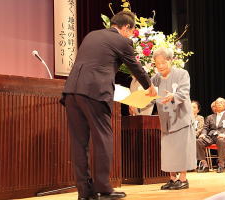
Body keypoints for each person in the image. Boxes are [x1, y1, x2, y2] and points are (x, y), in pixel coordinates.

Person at [60, 11, 157, 200]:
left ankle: (84, 192)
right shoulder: (122, 41)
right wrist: (150, 86)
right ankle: (104, 189)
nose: (131, 35)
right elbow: (135, 66)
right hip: (94, 93)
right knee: (103, 138)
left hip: (71, 91)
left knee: (79, 143)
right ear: (127, 27)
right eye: (132, 30)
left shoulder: (91, 35)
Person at [151, 47, 196, 190]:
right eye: (157, 63)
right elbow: (150, 94)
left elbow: (184, 93)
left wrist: (173, 96)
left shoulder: (182, 74)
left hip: (181, 118)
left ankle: (183, 179)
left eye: (163, 63)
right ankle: (172, 179)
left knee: (182, 150)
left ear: (170, 60)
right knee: (168, 151)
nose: (160, 66)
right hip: (166, 119)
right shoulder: (155, 78)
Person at [196, 97, 225, 173]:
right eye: (217, 103)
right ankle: (205, 165)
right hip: (211, 137)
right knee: (198, 141)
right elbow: (205, 128)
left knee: (221, 140)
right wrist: (203, 134)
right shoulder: (210, 117)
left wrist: (224, 134)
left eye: (221, 103)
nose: (219, 104)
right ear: (215, 105)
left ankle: (221, 165)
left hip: (222, 137)